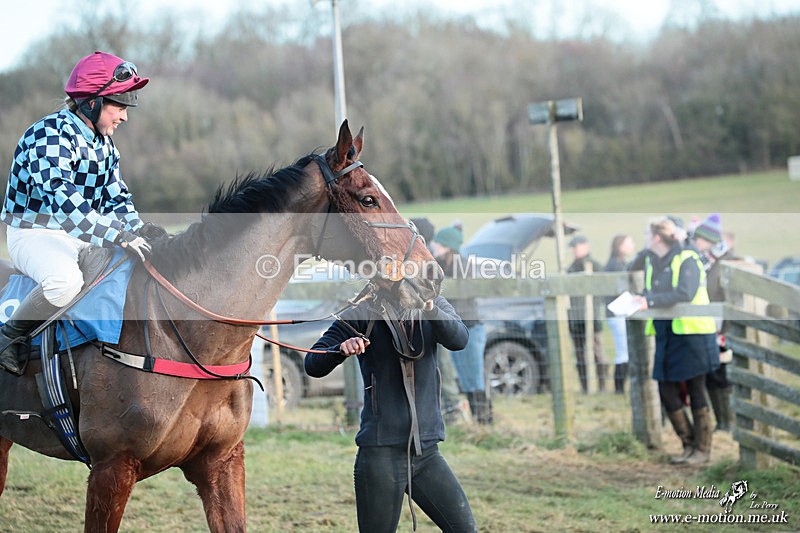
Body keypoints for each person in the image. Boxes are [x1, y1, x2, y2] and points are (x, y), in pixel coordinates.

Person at [0, 51, 164, 376]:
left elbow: (117, 200)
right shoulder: (46, 136)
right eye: (118, 106)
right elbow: (67, 208)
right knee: (65, 283)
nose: (124, 117)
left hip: (79, 235)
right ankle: (9, 337)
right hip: (34, 233)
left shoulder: (104, 145)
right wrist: (118, 235)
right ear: (91, 102)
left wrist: (140, 231)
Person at [304, 288, 478, 532]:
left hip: (426, 453)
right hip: (379, 457)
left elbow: (459, 339)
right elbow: (312, 363)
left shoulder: (433, 304)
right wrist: (341, 349)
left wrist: (429, 308)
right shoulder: (362, 312)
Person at [632, 217, 719, 465]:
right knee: (666, 390)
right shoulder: (652, 261)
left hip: (692, 333)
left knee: (695, 389)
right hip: (666, 334)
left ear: (658, 237)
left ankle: (702, 450)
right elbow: (636, 271)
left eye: (649, 236)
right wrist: (641, 298)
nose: (646, 241)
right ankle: (689, 444)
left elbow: (685, 293)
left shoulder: (687, 257)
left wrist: (650, 301)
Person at [430, 225, 492, 425]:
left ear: (447, 246)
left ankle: (484, 420)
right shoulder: (439, 265)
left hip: (470, 326)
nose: (434, 246)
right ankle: (477, 420)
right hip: (455, 327)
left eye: (438, 243)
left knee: (474, 376)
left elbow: (459, 294)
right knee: (465, 378)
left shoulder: (463, 266)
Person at [691, 213, 734, 431]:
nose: (695, 243)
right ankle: (722, 421)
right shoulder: (706, 262)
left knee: (722, 374)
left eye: (698, 239)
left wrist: (724, 330)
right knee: (712, 373)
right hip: (709, 324)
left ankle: (728, 422)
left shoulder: (725, 262)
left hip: (721, 326)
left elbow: (727, 296)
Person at [567, 234, 607, 393]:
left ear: (585, 246)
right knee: (579, 355)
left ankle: (602, 386)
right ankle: (585, 387)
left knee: (597, 352)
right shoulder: (570, 268)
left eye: (576, 247)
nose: (573, 250)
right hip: (575, 319)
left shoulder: (595, 266)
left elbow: (601, 290)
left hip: (592, 316)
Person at [604, 234, 635, 394]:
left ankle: (621, 388)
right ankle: (619, 389)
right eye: (629, 243)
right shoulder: (615, 265)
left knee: (624, 351)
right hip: (617, 314)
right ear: (620, 246)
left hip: (618, 313)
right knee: (623, 352)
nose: (632, 247)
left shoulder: (620, 264)